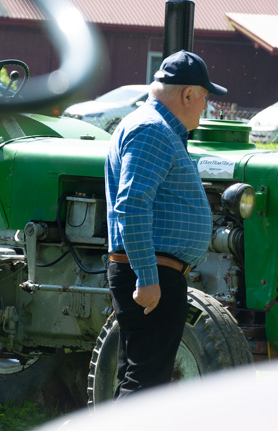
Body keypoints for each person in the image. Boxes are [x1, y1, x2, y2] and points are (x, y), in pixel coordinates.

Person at [104, 50, 227, 399]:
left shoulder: (155, 128)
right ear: (188, 94)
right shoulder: (153, 131)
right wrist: (147, 277)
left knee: (138, 378)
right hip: (153, 271)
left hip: (156, 269)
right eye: (204, 97)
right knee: (145, 387)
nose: (206, 106)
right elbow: (133, 204)